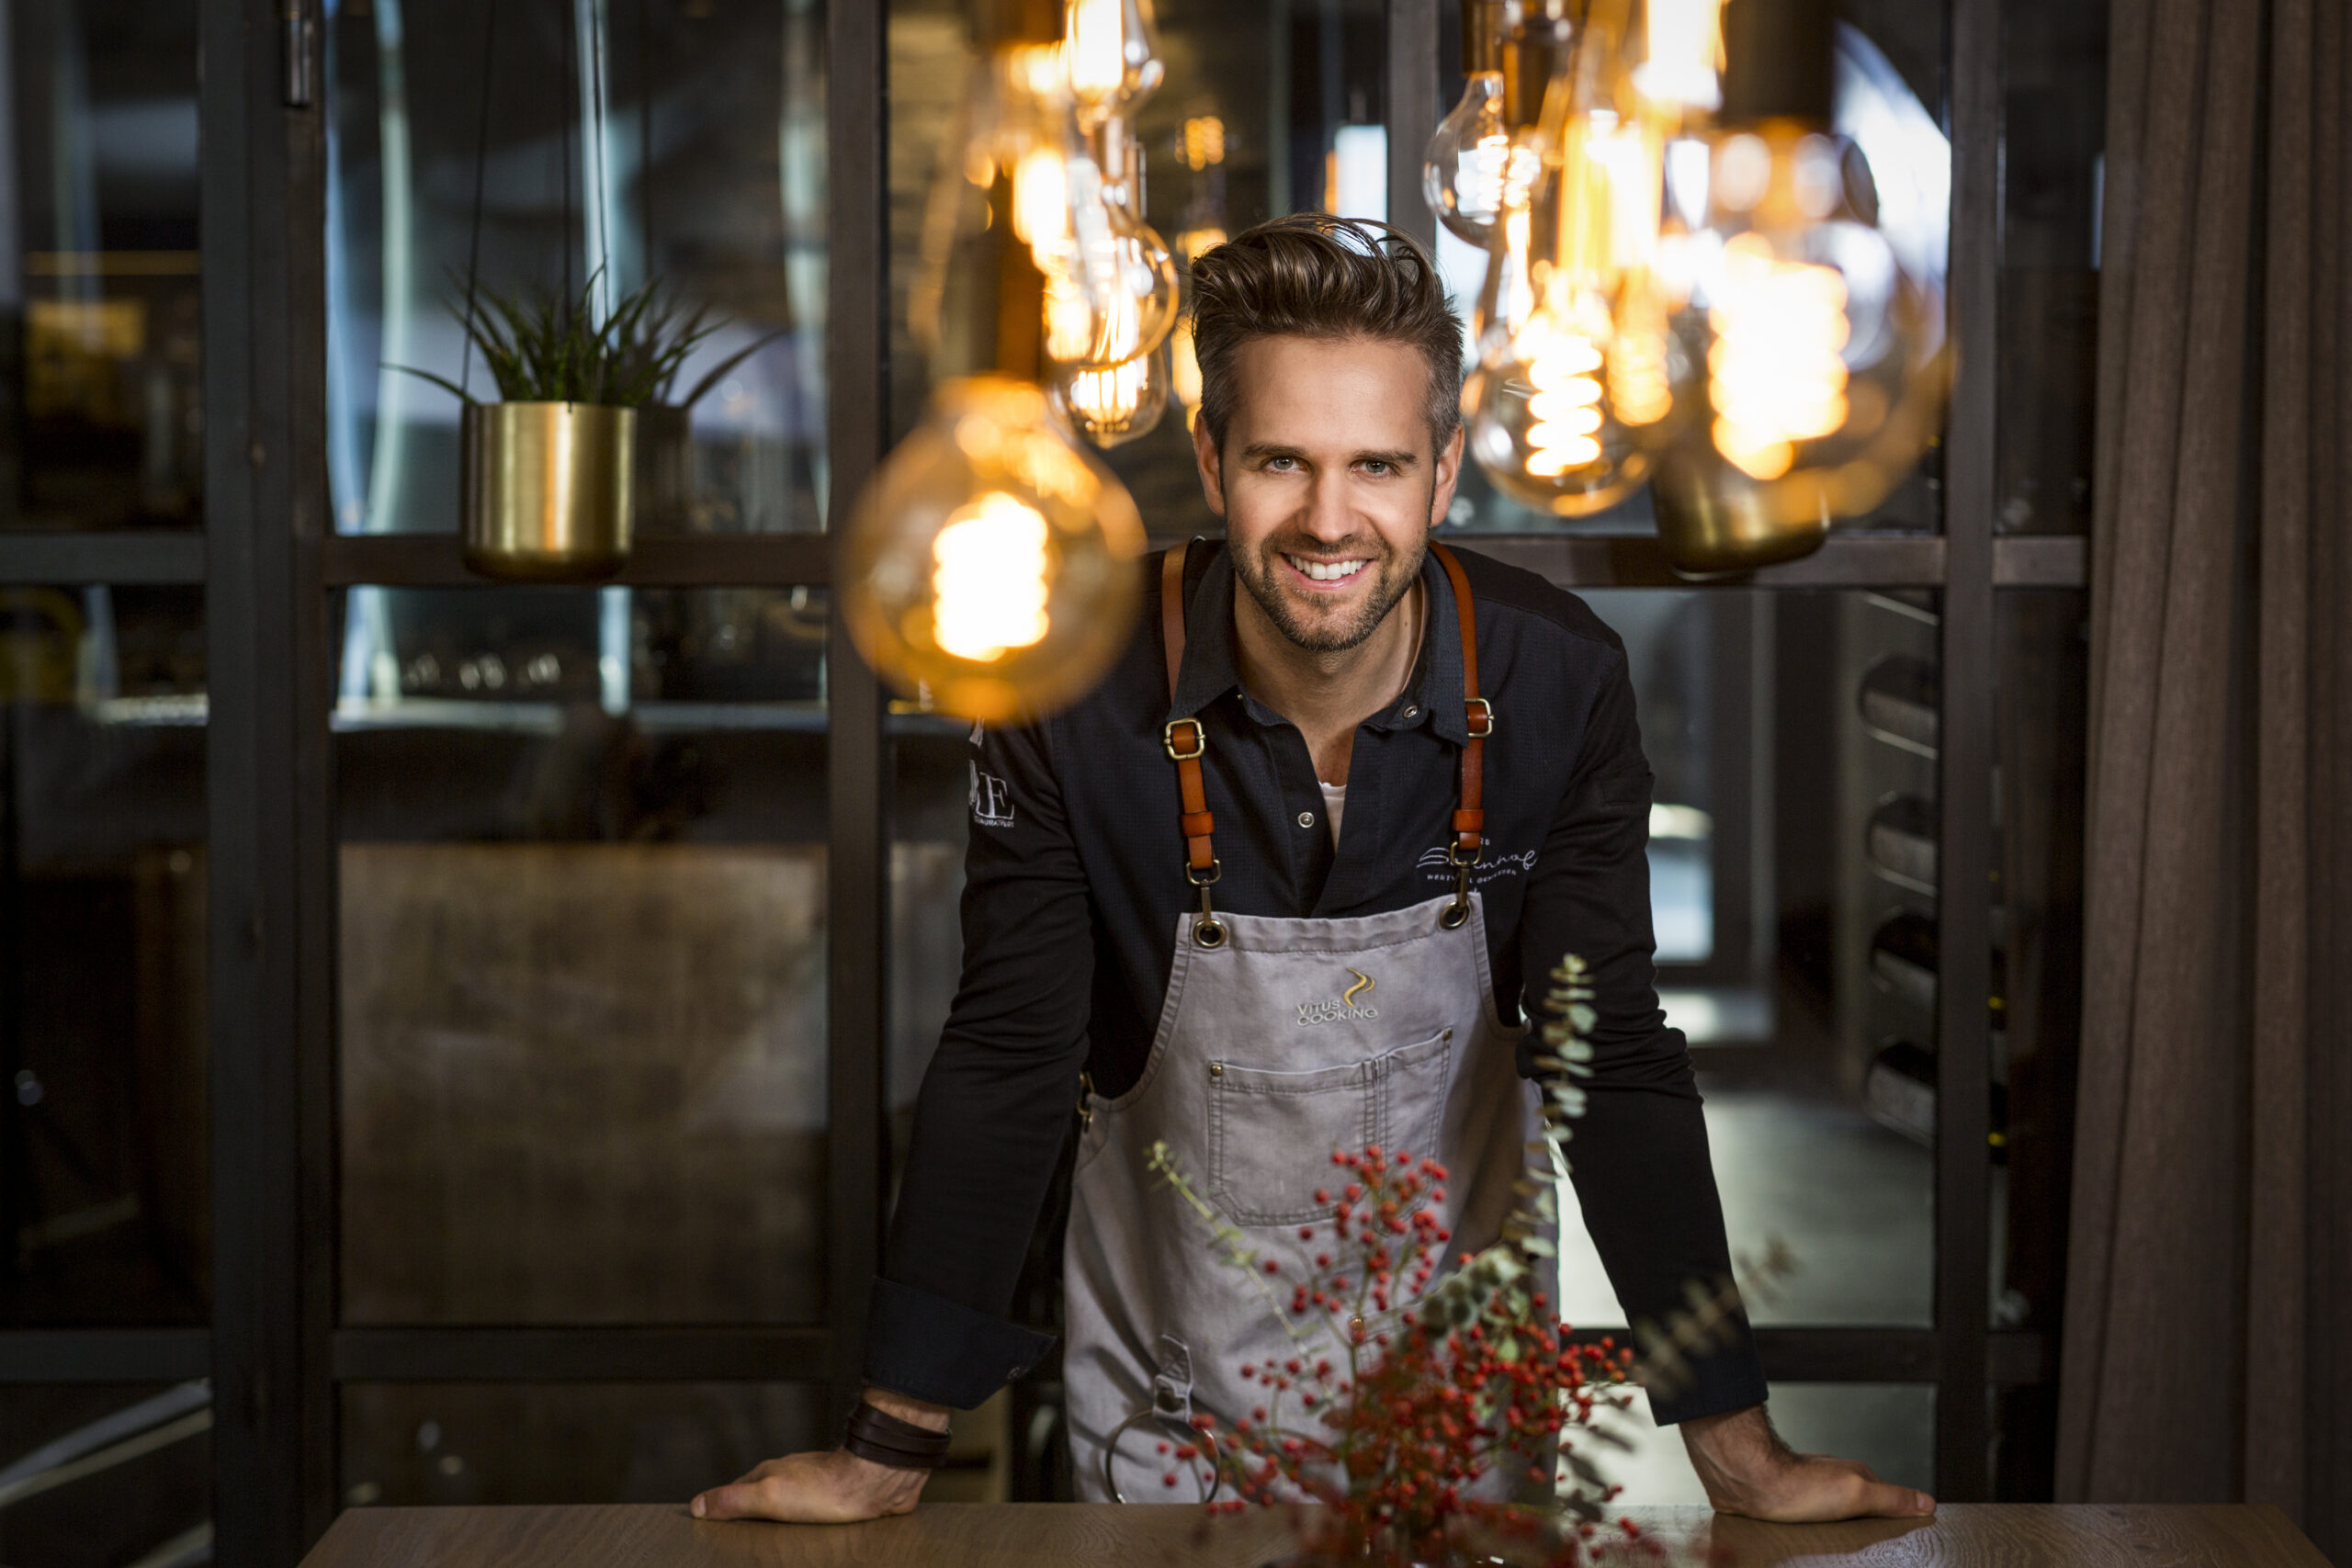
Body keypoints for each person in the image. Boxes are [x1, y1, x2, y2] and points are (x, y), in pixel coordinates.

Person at [692, 215, 1938, 1524]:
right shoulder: (1070, 686)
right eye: (1282, 461)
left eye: (1379, 465)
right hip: (1164, 1429)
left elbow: (1607, 1054)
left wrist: (1737, 1448)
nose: (1329, 520)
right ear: (1211, 458)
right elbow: (1007, 1055)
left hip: (1461, 1420)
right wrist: (887, 1451)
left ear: (1444, 472)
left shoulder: (1557, 683)